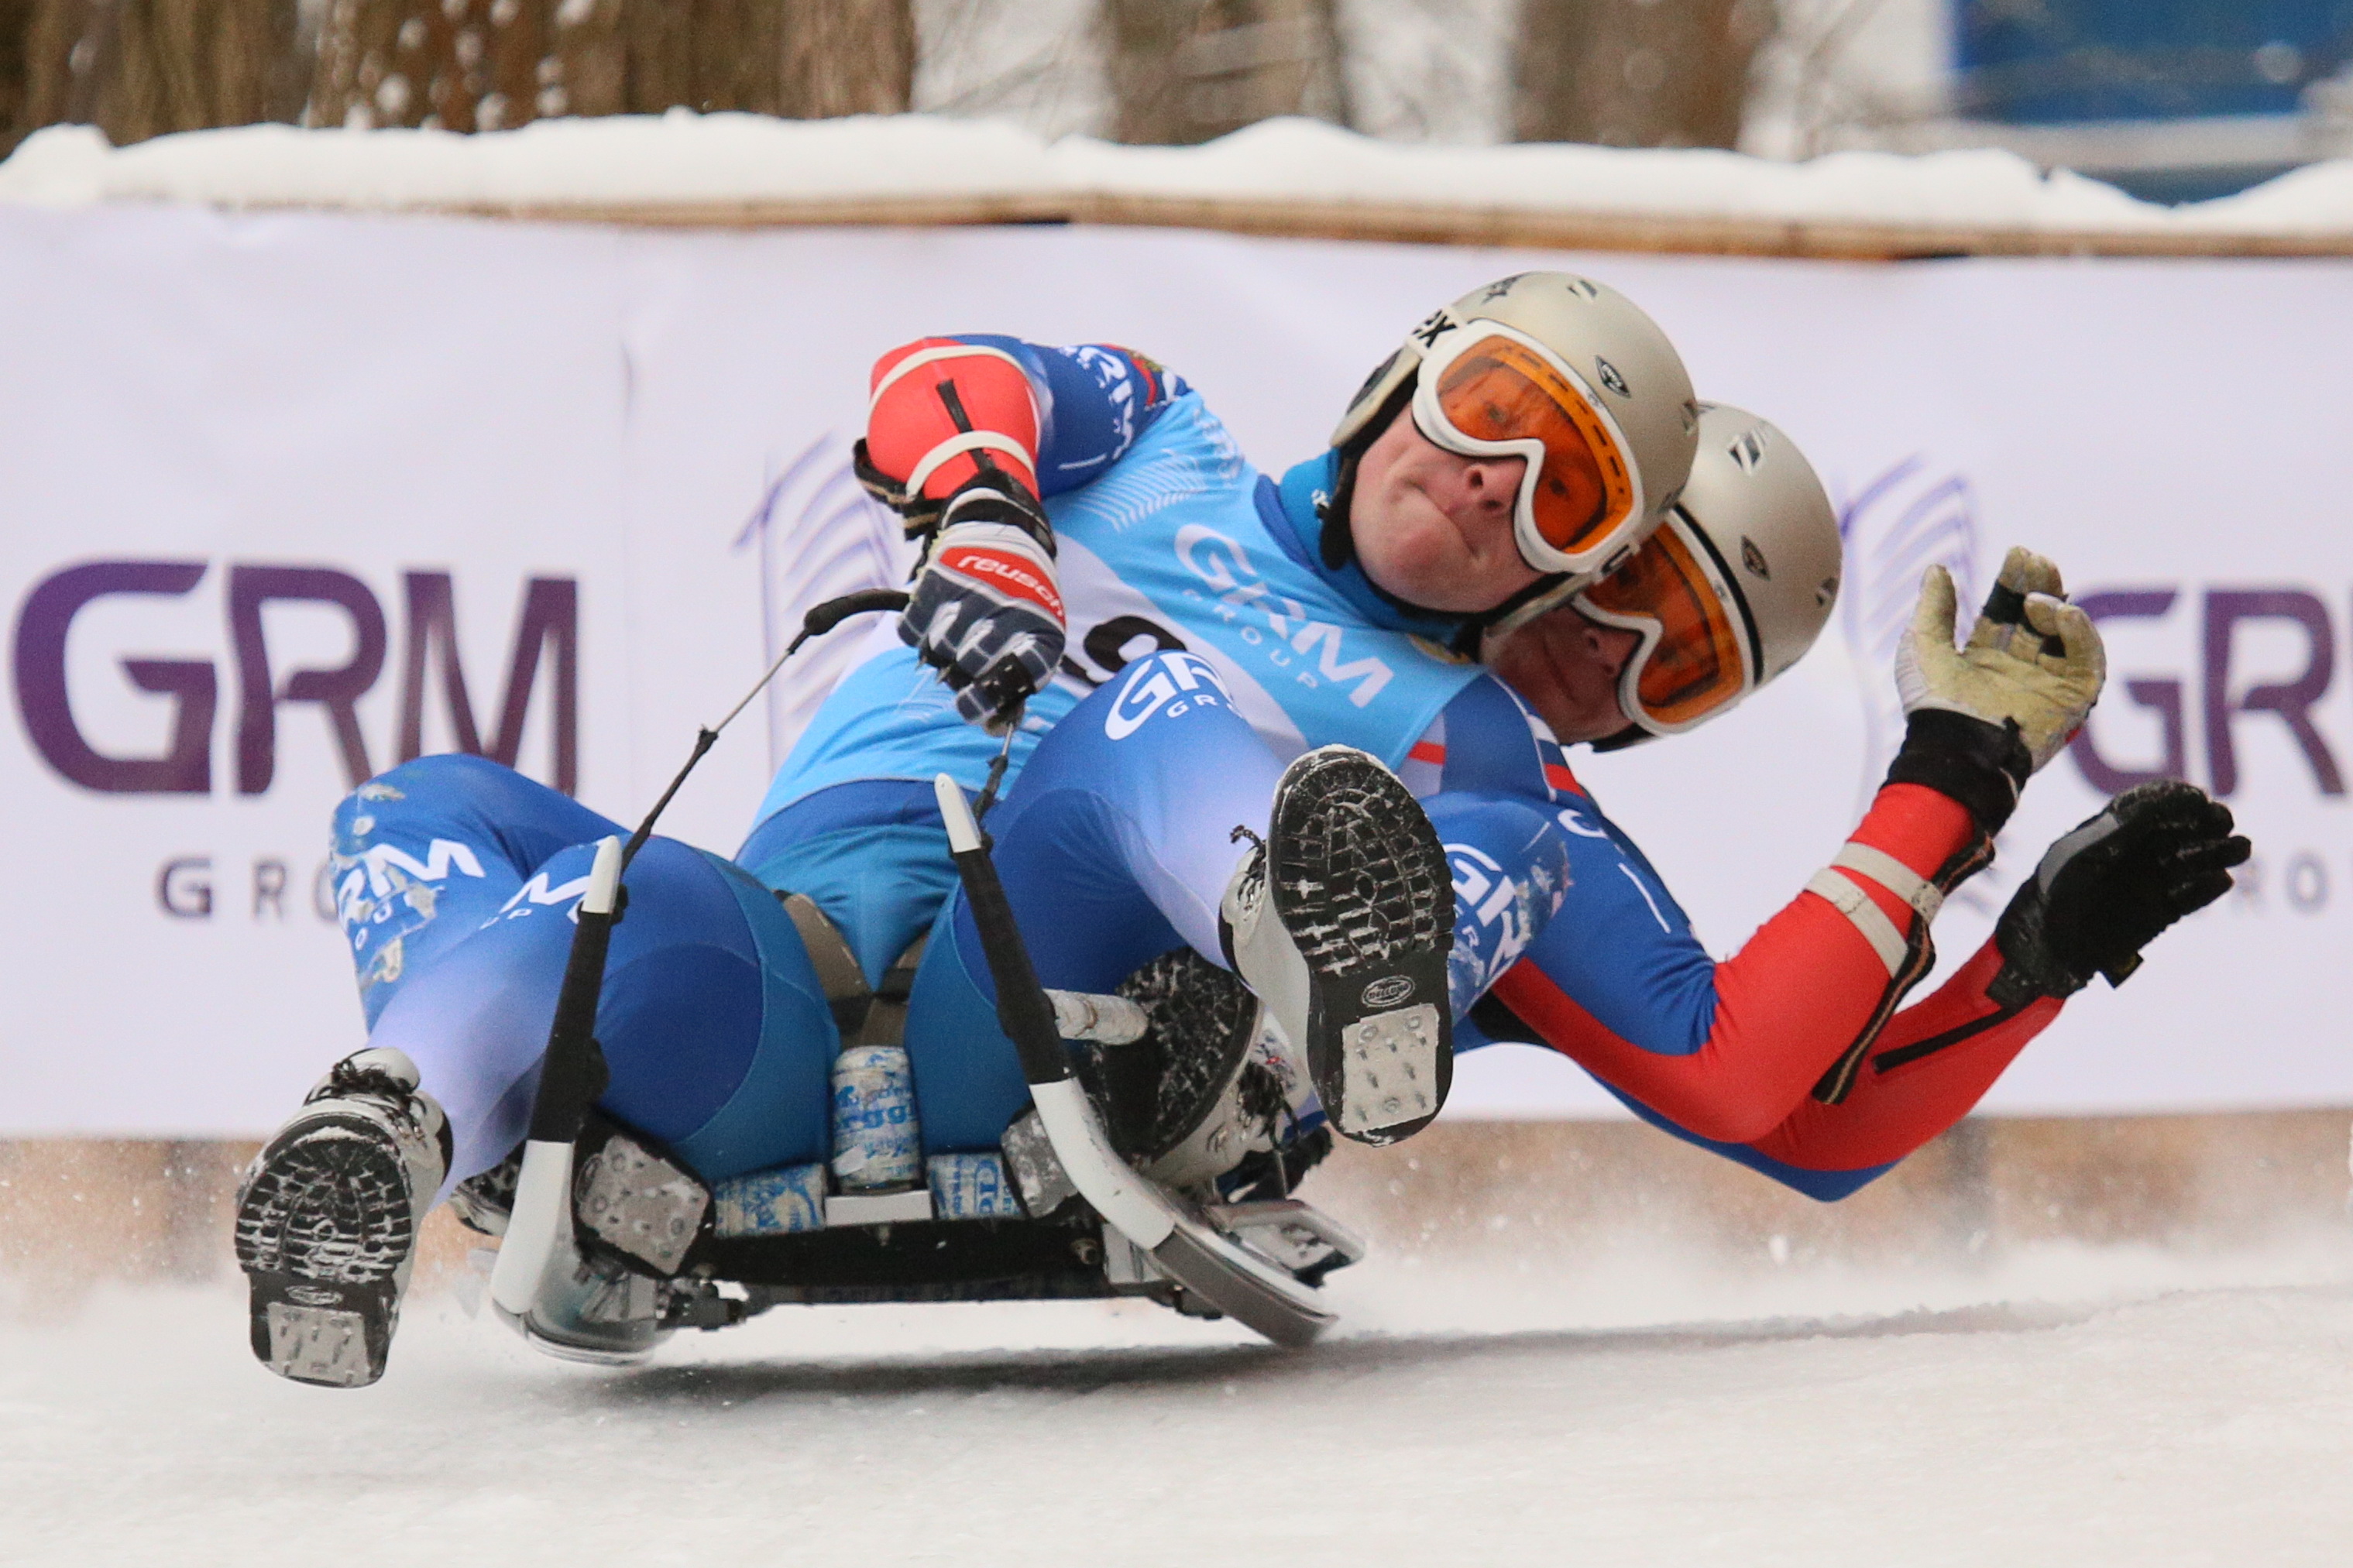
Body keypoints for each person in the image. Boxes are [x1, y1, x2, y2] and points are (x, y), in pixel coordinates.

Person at [232, 277, 2221, 1389]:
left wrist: (1976, 857)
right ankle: (394, 1130)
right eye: (1487, 419)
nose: (1574, 625)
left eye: (1660, 643)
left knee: (1145, 715)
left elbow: (1758, 1093)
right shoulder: (1160, 435)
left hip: (1064, 999)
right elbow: (946, 377)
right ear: (1399, 382)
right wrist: (987, 514)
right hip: (781, 971)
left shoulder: (1490, 763)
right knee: (489, 837)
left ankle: (1282, 977)